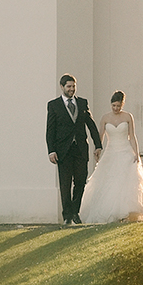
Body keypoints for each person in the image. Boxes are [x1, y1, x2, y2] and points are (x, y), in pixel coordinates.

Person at [78, 90, 143, 224]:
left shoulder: (128, 117)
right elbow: (100, 137)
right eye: (113, 106)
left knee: (126, 181)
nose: (116, 108)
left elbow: (132, 136)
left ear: (122, 104)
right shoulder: (105, 118)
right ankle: (109, 213)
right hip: (111, 152)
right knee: (108, 181)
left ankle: (126, 213)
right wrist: (97, 149)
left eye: (118, 106)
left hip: (126, 151)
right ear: (111, 104)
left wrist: (136, 153)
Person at [46, 74, 103, 225]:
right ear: (62, 87)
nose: (71, 89)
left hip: (80, 150)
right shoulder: (53, 105)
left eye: (73, 86)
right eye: (69, 86)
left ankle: (75, 212)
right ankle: (67, 216)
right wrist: (51, 150)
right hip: (63, 151)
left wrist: (98, 145)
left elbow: (91, 125)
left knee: (80, 181)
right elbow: (50, 130)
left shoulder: (82, 103)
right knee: (65, 184)